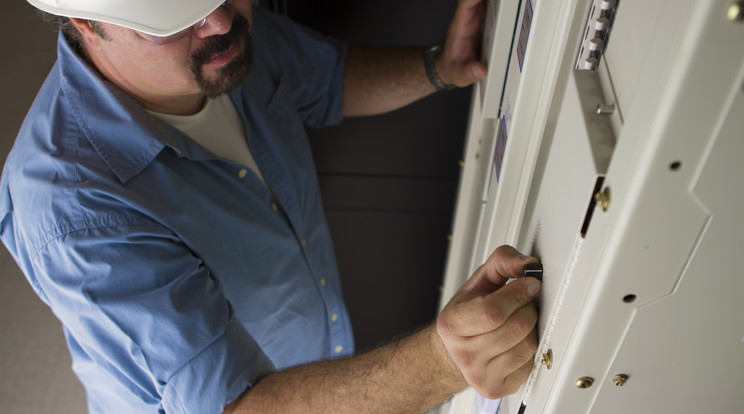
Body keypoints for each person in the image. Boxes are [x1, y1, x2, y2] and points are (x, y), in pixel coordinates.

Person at [0, 0, 541, 413]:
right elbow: (237, 407)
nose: (217, 22)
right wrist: (444, 364)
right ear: (88, 24)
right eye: (175, 15)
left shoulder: (222, 37)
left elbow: (321, 79)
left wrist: (438, 67)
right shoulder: (73, 211)